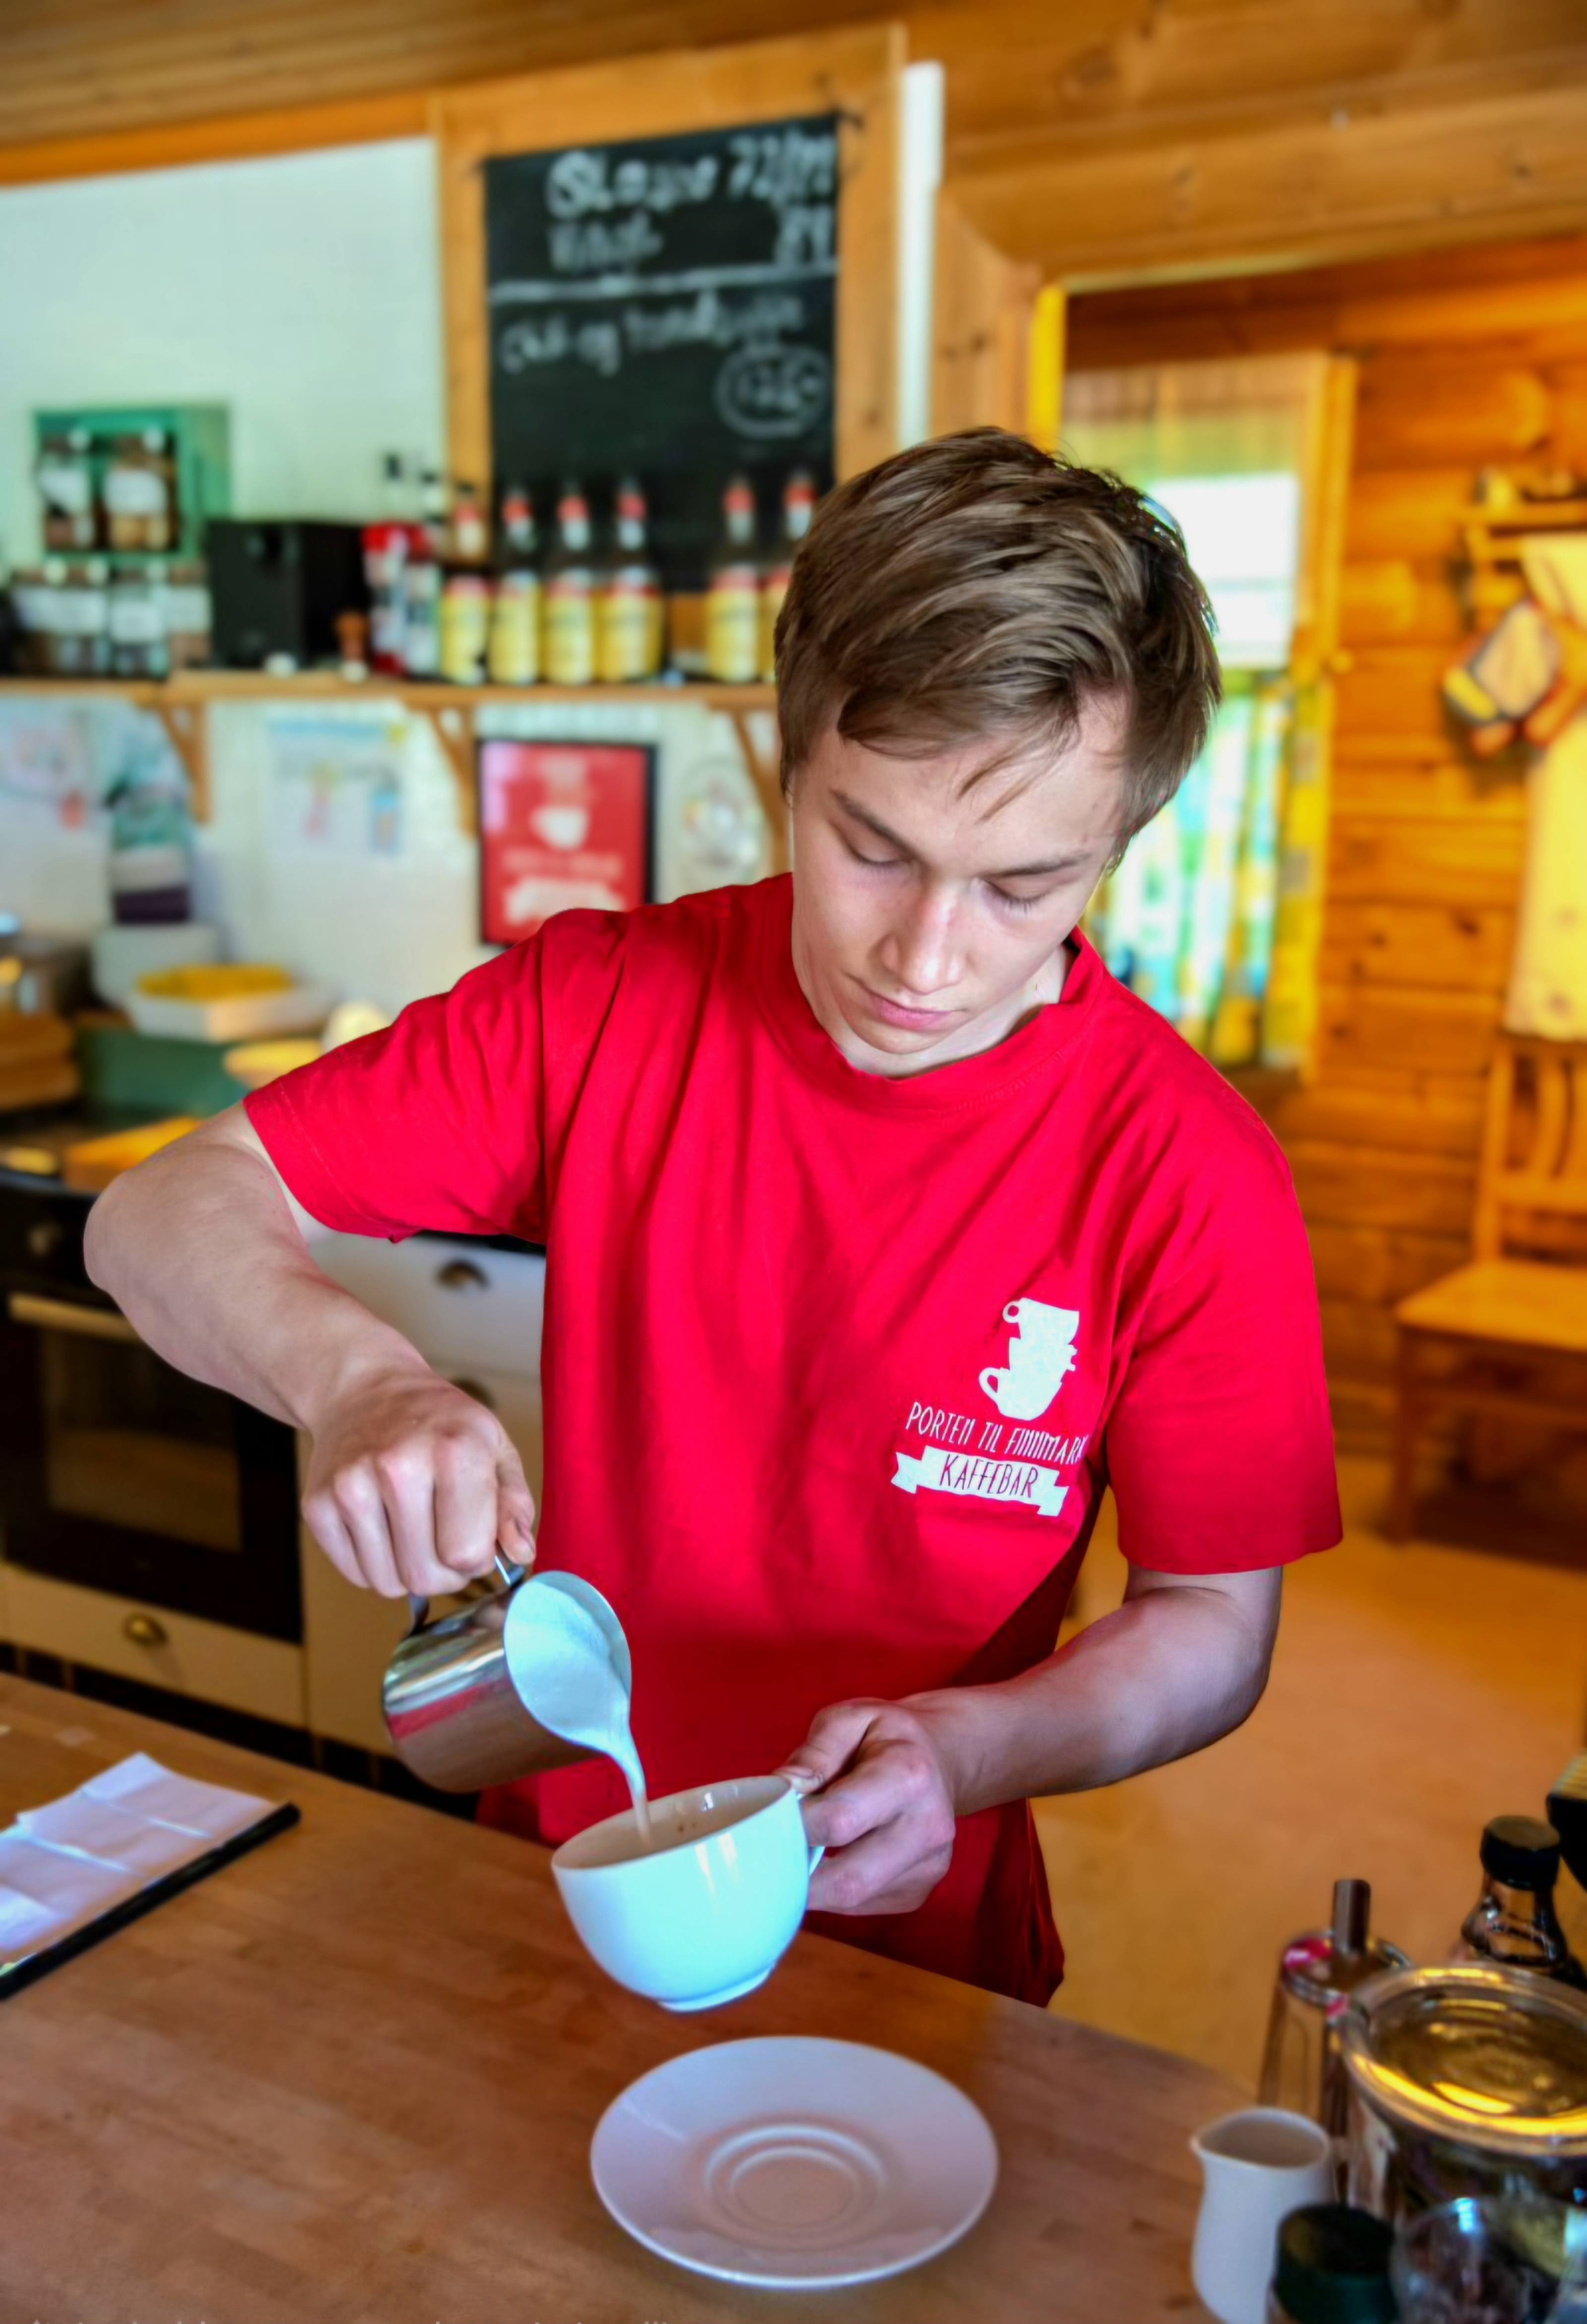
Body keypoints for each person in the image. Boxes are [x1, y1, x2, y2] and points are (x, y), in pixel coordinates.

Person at [87, 429, 1340, 2007]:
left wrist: (975, 1747)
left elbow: (1214, 1624)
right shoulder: (601, 1007)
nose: (929, 957)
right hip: (546, 1883)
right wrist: (358, 1381)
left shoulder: (1188, 1172)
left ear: (1123, 844)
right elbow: (155, 1212)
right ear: (786, 759)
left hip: (922, 1952)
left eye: (1024, 885)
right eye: (872, 847)